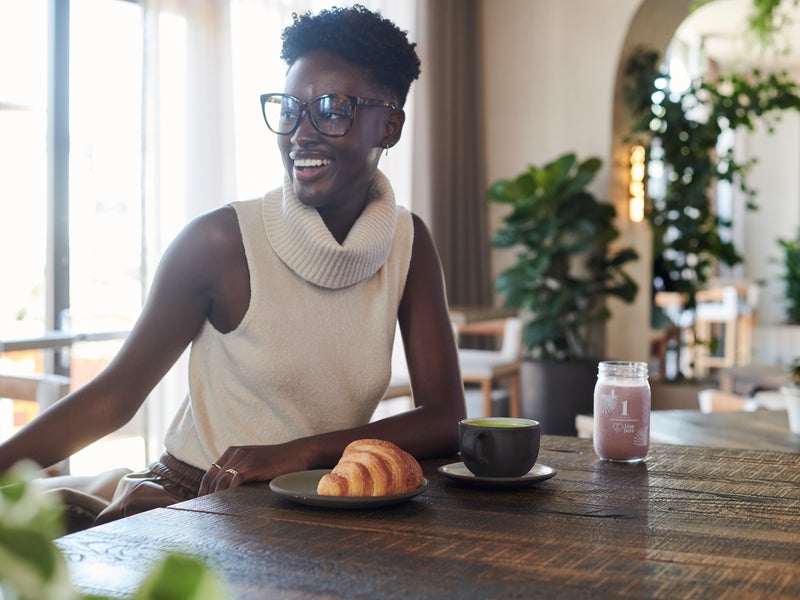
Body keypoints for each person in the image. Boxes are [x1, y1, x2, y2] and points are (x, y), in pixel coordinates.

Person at [0, 4, 466, 529]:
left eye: (332, 109)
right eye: (290, 108)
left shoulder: (408, 242)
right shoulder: (221, 241)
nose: (300, 134)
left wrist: (302, 451)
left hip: (321, 507)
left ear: (390, 127)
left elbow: (448, 418)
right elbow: (113, 398)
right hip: (192, 499)